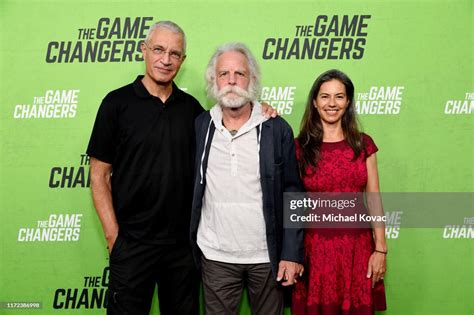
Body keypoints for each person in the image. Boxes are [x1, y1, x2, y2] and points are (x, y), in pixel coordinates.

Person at [87, 21, 277, 315]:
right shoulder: (116, 104)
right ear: (144, 50)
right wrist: (114, 237)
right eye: (159, 50)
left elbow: (234, 119)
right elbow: (99, 176)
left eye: (175, 53)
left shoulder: (194, 112)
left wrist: (262, 109)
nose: (166, 60)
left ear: (183, 60)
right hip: (132, 245)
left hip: (183, 250)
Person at [189, 42, 304, 315]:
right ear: (213, 81)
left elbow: (294, 193)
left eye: (239, 74)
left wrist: (291, 252)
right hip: (216, 256)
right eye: (223, 74)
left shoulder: (276, 128)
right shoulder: (200, 126)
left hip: (267, 257)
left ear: (252, 79)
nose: (231, 81)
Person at [292, 69, 387, 314]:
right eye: (325, 97)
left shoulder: (364, 145)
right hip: (315, 252)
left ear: (348, 102)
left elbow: (374, 198)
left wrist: (380, 249)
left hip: (358, 250)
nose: (332, 103)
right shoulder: (299, 147)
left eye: (339, 97)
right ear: (314, 102)